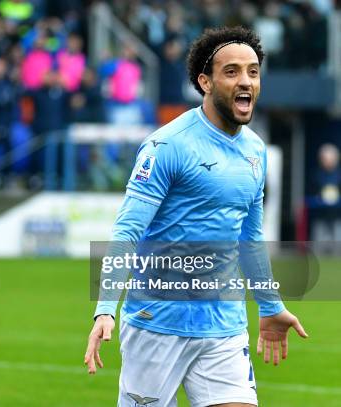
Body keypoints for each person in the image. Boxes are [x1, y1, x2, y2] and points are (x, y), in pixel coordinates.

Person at [84, 27, 308, 407]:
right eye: (232, 71)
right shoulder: (167, 146)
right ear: (205, 81)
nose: (246, 81)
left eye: (253, 72)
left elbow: (249, 239)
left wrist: (269, 306)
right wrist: (105, 307)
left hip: (224, 326)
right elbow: (128, 229)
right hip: (157, 324)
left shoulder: (256, 151)